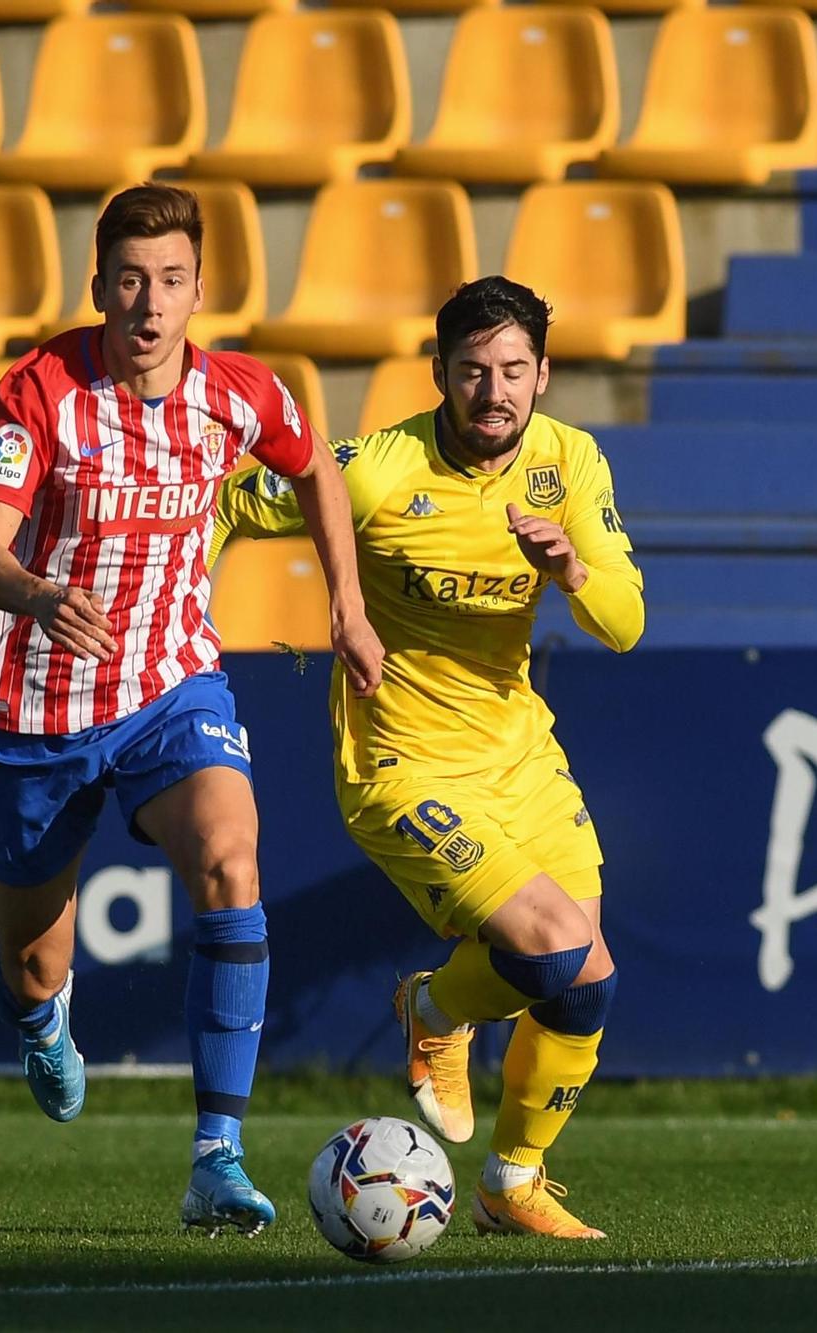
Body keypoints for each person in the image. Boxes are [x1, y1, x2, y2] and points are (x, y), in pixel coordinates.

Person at [0, 183, 384, 1236]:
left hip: (169, 687)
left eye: (173, 281)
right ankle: (41, 1017)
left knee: (232, 858)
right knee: (32, 962)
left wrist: (344, 601)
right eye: (131, 281)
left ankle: (216, 1157)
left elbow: (319, 470)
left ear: (200, 289)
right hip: (41, 705)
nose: (150, 304)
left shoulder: (238, 392)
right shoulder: (37, 393)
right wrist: (38, 594)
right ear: (99, 284)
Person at [209, 276, 643, 1239]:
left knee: (590, 983)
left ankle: (510, 1179)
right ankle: (438, 1008)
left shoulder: (569, 464)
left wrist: (570, 568)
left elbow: (625, 624)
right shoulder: (374, 468)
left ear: (543, 375)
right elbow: (228, 503)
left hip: (520, 757)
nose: (496, 392)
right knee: (554, 951)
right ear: (439, 373)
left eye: (515, 372)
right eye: (475, 371)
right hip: (402, 763)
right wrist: (178, 611)